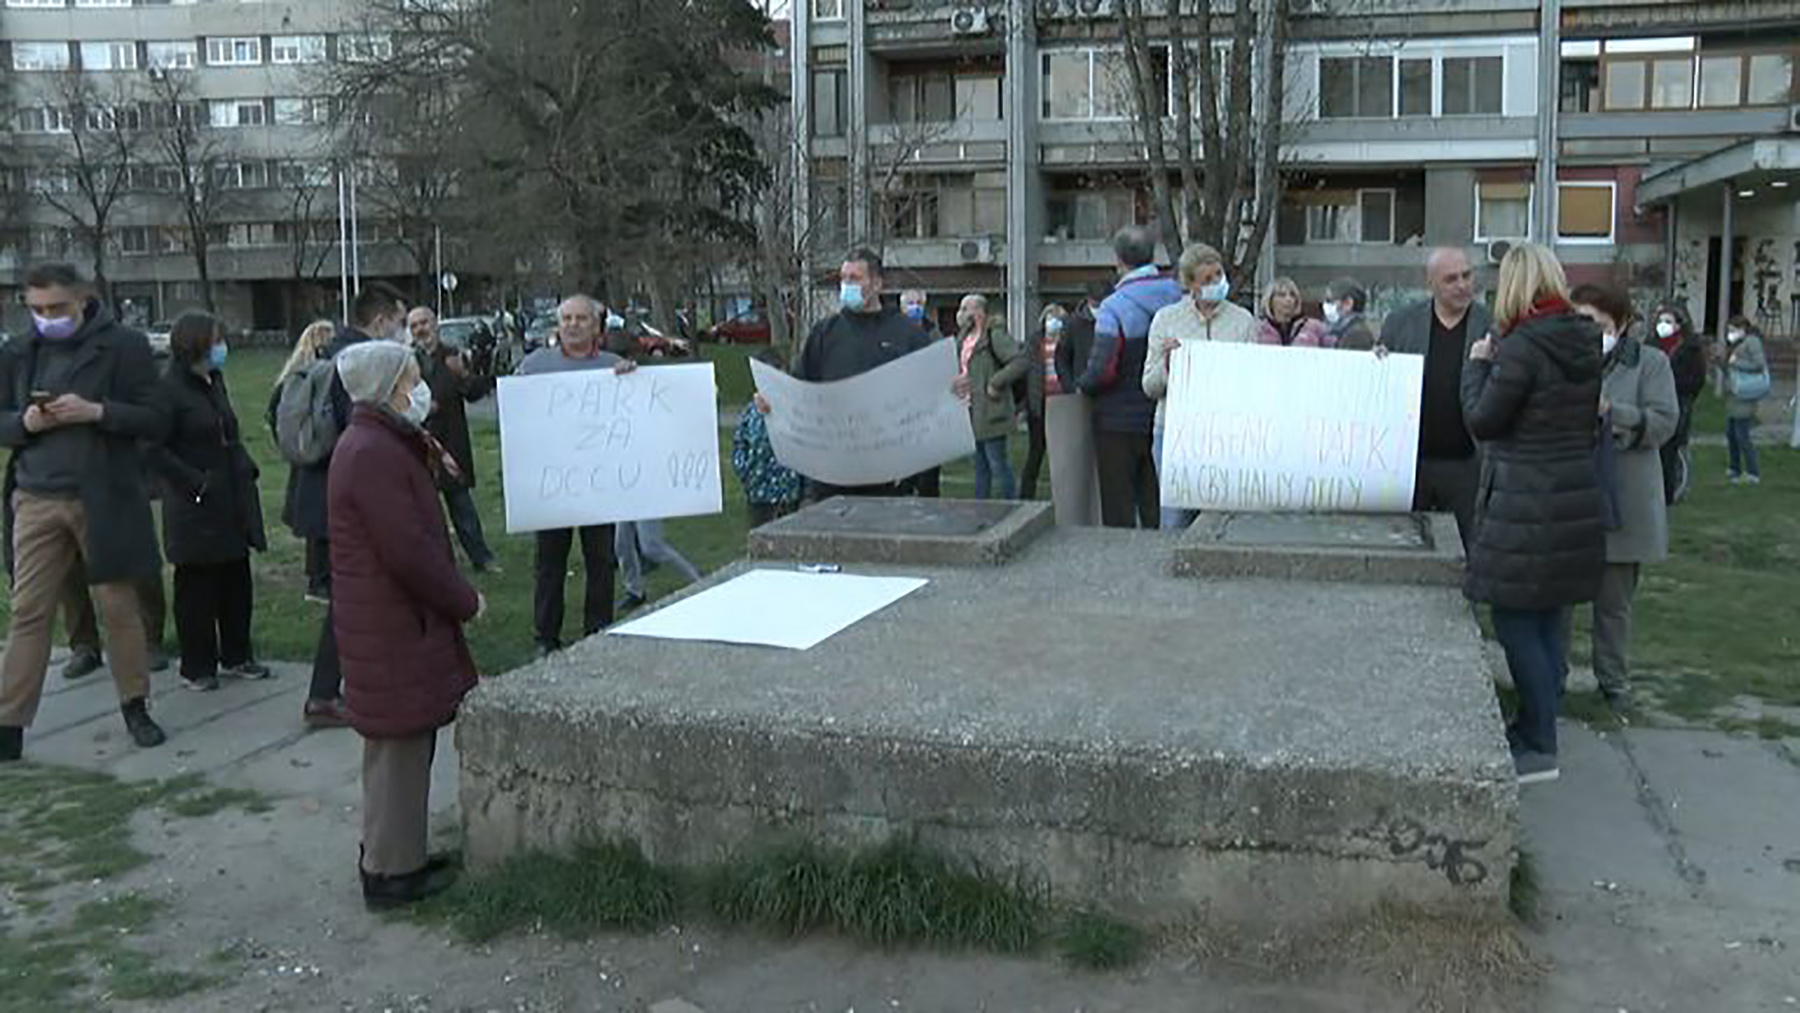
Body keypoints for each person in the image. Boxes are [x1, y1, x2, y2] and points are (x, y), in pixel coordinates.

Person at [328, 340, 483, 910]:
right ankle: (393, 875)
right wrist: (464, 600)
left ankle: (397, 856)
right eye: (413, 376)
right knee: (399, 748)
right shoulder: (372, 451)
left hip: (389, 620)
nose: (422, 386)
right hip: (392, 622)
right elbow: (408, 551)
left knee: (403, 749)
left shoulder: (381, 441)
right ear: (389, 385)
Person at [0, 262, 170, 760]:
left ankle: (134, 705)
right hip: (36, 496)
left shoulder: (124, 346)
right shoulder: (18, 350)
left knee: (119, 607)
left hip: (104, 496)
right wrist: (25, 423)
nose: (46, 318)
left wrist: (98, 412)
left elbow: (157, 417)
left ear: (83, 300)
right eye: (36, 310)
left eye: (56, 308)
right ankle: (9, 722)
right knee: (28, 612)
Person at [1461, 243, 1604, 785]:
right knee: (1545, 620)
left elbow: (1484, 419)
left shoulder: (1520, 348)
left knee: (1515, 619)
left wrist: (1477, 368)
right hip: (1571, 491)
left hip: (1526, 496)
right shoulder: (1582, 339)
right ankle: (1534, 723)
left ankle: (1541, 744)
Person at [298, 284, 412, 728]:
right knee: (349, 600)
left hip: (329, 492)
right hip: (343, 497)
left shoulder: (333, 351)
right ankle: (324, 694)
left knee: (356, 595)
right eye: (399, 322)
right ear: (381, 321)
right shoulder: (358, 362)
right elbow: (364, 429)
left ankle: (358, 680)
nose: (402, 332)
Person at [145, 312, 271, 692]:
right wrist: (195, 483)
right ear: (197, 343)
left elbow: (226, 431)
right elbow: (152, 448)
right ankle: (198, 666)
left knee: (236, 578)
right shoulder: (168, 391)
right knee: (197, 588)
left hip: (229, 499)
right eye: (216, 340)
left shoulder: (214, 381)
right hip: (193, 504)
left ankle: (237, 654)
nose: (222, 347)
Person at [1568, 284, 1677, 713]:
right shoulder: (1568, 360)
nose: (1588, 332)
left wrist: (1611, 414)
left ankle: (1613, 681)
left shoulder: (1650, 363)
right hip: (1571, 498)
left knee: (1613, 604)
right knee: (1558, 601)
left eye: (1596, 324)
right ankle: (1550, 679)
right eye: (1580, 321)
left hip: (1624, 499)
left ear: (1622, 325)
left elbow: (1664, 422)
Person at [516, 295, 637, 655]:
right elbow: (516, 414)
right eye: (566, 318)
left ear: (596, 325)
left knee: (600, 562)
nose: (572, 325)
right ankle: (545, 637)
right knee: (549, 564)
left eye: (581, 318)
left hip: (598, 486)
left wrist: (632, 382)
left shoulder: (616, 366)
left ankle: (596, 631)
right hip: (551, 484)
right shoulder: (534, 365)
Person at [766, 249, 934, 499]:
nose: (847, 285)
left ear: (877, 283)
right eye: (844, 278)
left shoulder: (908, 334)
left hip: (889, 472)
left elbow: (931, 395)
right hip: (833, 471)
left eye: (855, 278)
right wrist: (773, 400)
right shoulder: (824, 333)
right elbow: (800, 390)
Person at [1377, 248, 1493, 547]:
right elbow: (1380, 386)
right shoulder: (1400, 324)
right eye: (1451, 279)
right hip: (1412, 465)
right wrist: (1377, 363)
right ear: (1431, 283)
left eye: (1467, 276)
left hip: (1470, 462)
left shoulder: (1493, 326)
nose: (1462, 285)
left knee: (1472, 550)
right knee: (1407, 549)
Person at [1142, 243, 1258, 530]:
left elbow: (1254, 379)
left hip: (1224, 433)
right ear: (1190, 285)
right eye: (1207, 280)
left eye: (1219, 275)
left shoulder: (1242, 320)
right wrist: (1169, 366)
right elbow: (1149, 386)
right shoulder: (1167, 319)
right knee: (1175, 518)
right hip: (1173, 431)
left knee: (1220, 517)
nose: (1217, 284)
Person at [1076, 226, 1182, 528]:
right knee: (1157, 501)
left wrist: (1082, 386)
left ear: (1119, 260)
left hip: (1117, 420)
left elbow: (1103, 368)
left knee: (1119, 504)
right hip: (1166, 415)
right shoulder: (1177, 297)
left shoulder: (1114, 307)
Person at [408, 307, 497, 572]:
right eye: (414, 326)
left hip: (451, 442)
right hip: (417, 442)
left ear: (435, 324)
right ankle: (434, 562)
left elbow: (474, 392)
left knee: (461, 505)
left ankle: (481, 558)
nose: (421, 329)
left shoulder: (453, 356)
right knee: (423, 508)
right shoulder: (406, 361)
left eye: (424, 323)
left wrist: (464, 374)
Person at [273, 320, 337, 602]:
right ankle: (321, 582)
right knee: (325, 522)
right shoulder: (326, 374)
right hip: (324, 456)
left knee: (315, 524)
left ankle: (316, 578)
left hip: (301, 459)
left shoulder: (292, 375)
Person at [956, 293, 1028, 500]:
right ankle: (982, 507)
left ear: (979, 311)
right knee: (980, 466)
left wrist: (996, 382)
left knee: (997, 463)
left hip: (991, 410)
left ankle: (1011, 504)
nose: (961, 314)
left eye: (965, 308)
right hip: (970, 409)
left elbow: (1020, 361)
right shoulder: (964, 337)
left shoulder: (994, 335)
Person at [732, 348, 804, 526]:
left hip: (790, 493)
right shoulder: (751, 413)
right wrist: (746, 473)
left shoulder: (795, 411)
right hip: (759, 496)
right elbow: (740, 444)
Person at [1648, 303, 1707, 504]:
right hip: (1651, 403)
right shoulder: (1651, 345)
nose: (1663, 325)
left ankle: (1668, 494)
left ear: (1679, 325)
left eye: (1668, 321)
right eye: (1660, 321)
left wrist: (1674, 386)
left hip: (1678, 403)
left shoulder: (1690, 348)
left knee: (1669, 452)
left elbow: (1696, 379)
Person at [899, 288, 943, 498]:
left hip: (929, 407)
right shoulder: (894, 331)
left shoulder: (933, 333)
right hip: (901, 407)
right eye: (909, 303)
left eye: (917, 302)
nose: (914, 307)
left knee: (929, 468)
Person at [1019, 304, 1067, 500]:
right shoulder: (1034, 341)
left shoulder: (1067, 341)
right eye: (1050, 317)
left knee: (1062, 455)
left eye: (1057, 318)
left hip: (1063, 404)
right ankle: (1025, 496)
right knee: (1036, 451)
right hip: (1039, 403)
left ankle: (1063, 496)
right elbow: (1025, 371)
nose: (1053, 322)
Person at [1722, 315, 1769, 486]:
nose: (1730, 334)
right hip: (1736, 392)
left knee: (1742, 434)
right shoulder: (1738, 344)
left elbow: (1758, 364)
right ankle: (1734, 467)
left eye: (1733, 330)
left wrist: (1736, 363)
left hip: (1746, 393)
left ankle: (1752, 472)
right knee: (1731, 432)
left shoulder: (1752, 342)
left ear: (1742, 328)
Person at [1255, 277, 1331, 348]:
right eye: (1282, 295)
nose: (1288, 299)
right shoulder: (1259, 329)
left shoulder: (1314, 327)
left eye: (1292, 295)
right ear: (1270, 300)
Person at [1322, 278, 1377, 351]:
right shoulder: (1339, 330)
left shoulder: (1357, 335)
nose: (1325, 305)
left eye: (1330, 301)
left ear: (1348, 303)